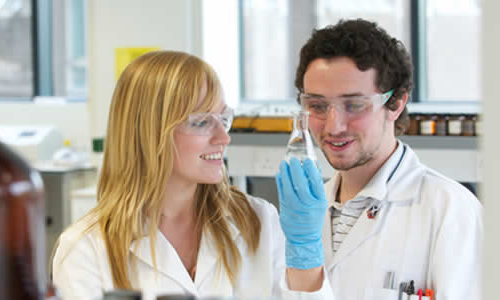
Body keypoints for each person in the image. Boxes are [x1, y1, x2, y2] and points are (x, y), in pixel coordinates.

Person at [51, 51, 334, 300]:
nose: (224, 137)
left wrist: (306, 255)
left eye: (224, 120)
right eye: (201, 122)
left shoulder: (258, 221)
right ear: (148, 133)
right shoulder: (85, 249)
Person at [276, 19, 483, 300]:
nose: (334, 126)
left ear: (395, 103)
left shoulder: (451, 211)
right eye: (318, 106)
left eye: (354, 105)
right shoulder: (301, 218)